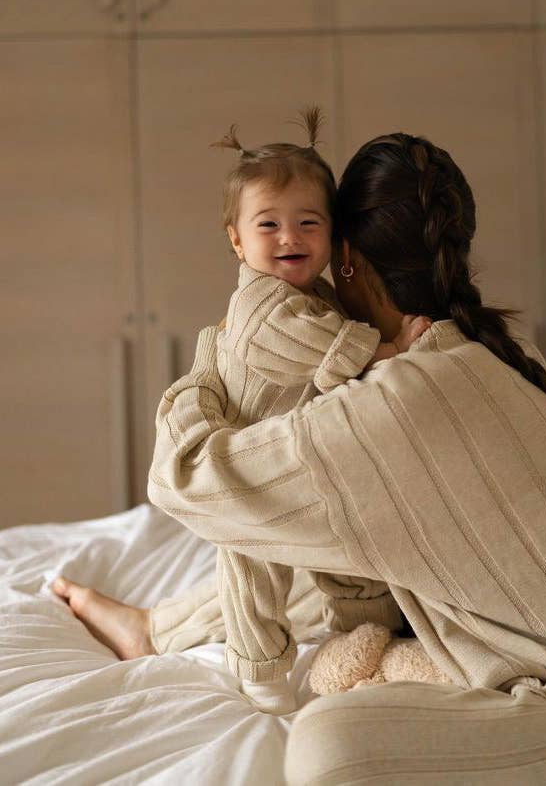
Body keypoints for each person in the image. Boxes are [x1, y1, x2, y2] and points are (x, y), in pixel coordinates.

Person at [56, 132, 546, 783]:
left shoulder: (390, 404)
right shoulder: (491, 347)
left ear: (345, 261)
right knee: (342, 557)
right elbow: (318, 545)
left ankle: (155, 629)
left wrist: (213, 361)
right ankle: (152, 628)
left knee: (331, 746)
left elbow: (181, 477)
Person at [55, 110, 429, 716]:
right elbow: (334, 351)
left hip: (277, 461)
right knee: (256, 578)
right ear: (236, 239)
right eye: (269, 225)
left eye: (309, 223)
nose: (290, 238)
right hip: (244, 470)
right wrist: (396, 347)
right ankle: (261, 679)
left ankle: (144, 630)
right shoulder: (268, 310)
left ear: (333, 235)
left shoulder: (310, 295)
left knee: (290, 572)